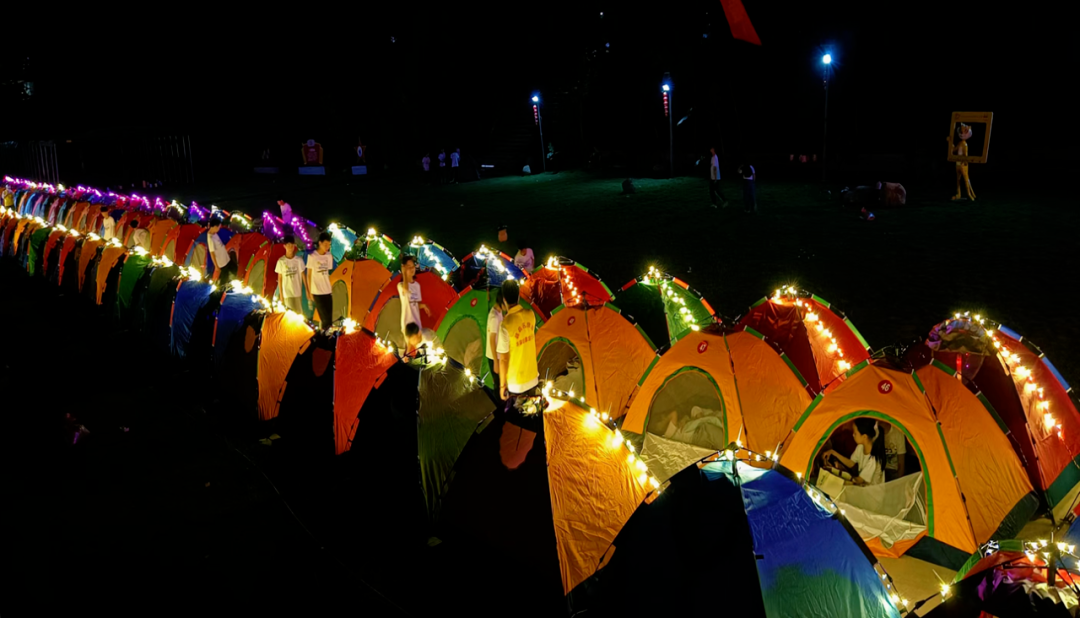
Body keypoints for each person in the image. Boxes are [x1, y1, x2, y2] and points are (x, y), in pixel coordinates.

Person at [496, 279, 538, 404]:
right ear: (519, 296)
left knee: (517, 420)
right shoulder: (530, 314)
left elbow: (503, 359)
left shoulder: (505, 325)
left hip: (516, 385)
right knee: (532, 414)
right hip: (533, 378)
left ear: (504, 299)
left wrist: (502, 386)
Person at [822, 418, 885, 486]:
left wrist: (837, 475)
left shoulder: (874, 459)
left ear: (864, 436)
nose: (853, 435)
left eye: (855, 433)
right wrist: (833, 452)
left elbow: (858, 480)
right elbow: (851, 463)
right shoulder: (860, 447)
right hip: (864, 489)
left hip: (872, 495)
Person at [398, 255, 431, 342]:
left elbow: (415, 304)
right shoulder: (400, 285)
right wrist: (404, 274)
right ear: (404, 269)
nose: (412, 269)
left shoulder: (417, 286)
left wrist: (423, 306)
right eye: (409, 267)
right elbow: (406, 289)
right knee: (409, 349)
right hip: (407, 323)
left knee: (418, 348)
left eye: (413, 266)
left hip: (417, 323)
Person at [306, 232, 334, 329]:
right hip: (317, 292)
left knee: (330, 319)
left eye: (329, 245)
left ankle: (328, 338)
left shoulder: (329, 256)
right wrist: (309, 292)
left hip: (327, 290)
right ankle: (324, 338)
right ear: (320, 243)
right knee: (324, 318)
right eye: (325, 244)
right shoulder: (312, 257)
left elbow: (327, 272)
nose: (327, 247)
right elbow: (308, 275)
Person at [274, 235, 306, 315]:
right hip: (287, 293)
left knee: (299, 315)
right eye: (288, 245)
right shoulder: (281, 261)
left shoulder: (299, 260)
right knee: (290, 315)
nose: (290, 247)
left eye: (292, 245)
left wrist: (307, 290)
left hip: (297, 292)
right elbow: (280, 279)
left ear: (294, 246)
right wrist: (281, 295)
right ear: (284, 246)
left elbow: (303, 275)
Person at [207, 219, 235, 283]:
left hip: (226, 259)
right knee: (224, 277)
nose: (219, 229)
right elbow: (212, 253)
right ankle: (220, 289)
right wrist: (216, 266)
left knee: (233, 271)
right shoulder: (210, 238)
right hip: (222, 263)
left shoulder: (214, 233)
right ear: (215, 227)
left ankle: (223, 286)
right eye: (218, 227)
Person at [486, 288, 504, 384]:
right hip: (494, 356)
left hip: (497, 355)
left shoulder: (498, 311)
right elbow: (492, 340)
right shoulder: (494, 317)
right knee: (498, 382)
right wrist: (496, 363)